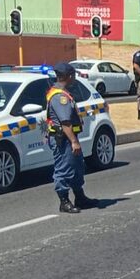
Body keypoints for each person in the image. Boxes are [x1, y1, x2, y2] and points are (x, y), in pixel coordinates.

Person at [46, 62, 95, 214]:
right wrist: (74, 141)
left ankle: (80, 197)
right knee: (64, 168)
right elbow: (65, 122)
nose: (74, 77)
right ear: (68, 76)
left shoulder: (62, 92)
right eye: (73, 75)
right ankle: (64, 201)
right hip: (64, 139)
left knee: (76, 166)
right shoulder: (60, 97)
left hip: (68, 137)